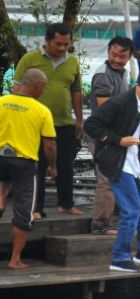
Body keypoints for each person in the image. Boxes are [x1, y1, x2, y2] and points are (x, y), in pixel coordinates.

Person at [84, 68, 140, 273]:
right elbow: (91, 126)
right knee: (131, 209)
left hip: (137, 162)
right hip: (117, 163)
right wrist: (119, 140)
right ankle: (120, 257)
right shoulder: (118, 103)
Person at [13, 22, 83, 218]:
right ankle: (36, 208)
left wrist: (79, 119)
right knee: (38, 165)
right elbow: (17, 89)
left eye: (66, 44)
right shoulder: (30, 59)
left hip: (63, 122)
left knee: (65, 164)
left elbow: (76, 91)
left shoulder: (72, 62)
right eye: (58, 44)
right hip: (35, 123)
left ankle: (66, 204)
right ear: (47, 41)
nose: (62, 48)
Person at [0, 69, 57, 269]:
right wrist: (52, 166)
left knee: (2, 186)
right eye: (44, 87)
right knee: (24, 212)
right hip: (24, 163)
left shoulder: (1, 102)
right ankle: (15, 260)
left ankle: (0, 200)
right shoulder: (41, 111)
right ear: (37, 86)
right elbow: (49, 145)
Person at [88, 36, 135, 235]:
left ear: (130, 57)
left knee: (116, 177)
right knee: (106, 180)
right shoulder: (103, 76)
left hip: (116, 134)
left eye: (122, 56)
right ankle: (99, 225)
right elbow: (105, 108)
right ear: (108, 52)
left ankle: (110, 218)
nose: (117, 59)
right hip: (103, 135)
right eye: (113, 55)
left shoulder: (122, 73)